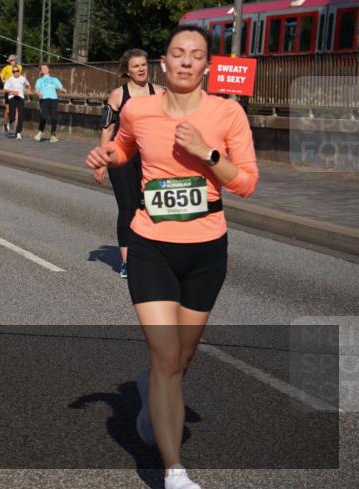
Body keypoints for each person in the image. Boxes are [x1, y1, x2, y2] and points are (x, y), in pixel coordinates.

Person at [85, 25, 258, 489]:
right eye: (178, 53)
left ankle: (151, 395)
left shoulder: (228, 113)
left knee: (181, 360)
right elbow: (124, 147)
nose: (186, 61)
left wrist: (207, 153)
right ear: (164, 62)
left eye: (196, 55)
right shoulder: (139, 109)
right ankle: (174, 471)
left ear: (207, 66)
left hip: (206, 250)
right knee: (165, 357)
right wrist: (106, 156)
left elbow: (246, 182)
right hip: (150, 245)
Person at [94, 49, 159, 279]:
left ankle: (149, 256)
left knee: (150, 208)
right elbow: (107, 129)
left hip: (150, 158)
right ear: (127, 71)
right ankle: (126, 262)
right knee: (128, 207)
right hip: (122, 157)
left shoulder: (159, 93)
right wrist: (102, 161)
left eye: (144, 65)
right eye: (136, 66)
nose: (141, 69)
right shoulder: (118, 95)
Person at [34, 63, 67, 142]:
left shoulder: (54, 79)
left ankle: (53, 135)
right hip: (44, 99)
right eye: (43, 68)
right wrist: (39, 93)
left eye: (46, 67)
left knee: (54, 117)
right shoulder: (39, 80)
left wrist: (63, 90)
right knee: (43, 116)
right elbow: (36, 90)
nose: (44, 69)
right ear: (41, 71)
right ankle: (40, 132)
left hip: (54, 99)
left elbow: (61, 88)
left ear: (49, 69)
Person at [3, 64, 31, 139]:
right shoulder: (10, 79)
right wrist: (12, 91)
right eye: (14, 71)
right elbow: (5, 90)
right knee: (12, 115)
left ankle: (18, 132)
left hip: (20, 97)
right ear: (12, 72)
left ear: (19, 71)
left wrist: (28, 90)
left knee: (20, 114)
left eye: (17, 71)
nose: (15, 72)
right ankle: (10, 121)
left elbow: (28, 85)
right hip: (12, 97)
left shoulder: (23, 79)